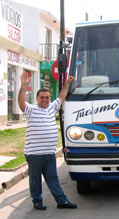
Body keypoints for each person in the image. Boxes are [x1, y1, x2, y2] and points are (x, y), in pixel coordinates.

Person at [18, 71, 77, 210]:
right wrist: (23, 86)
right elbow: (21, 103)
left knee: (52, 178)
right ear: (37, 98)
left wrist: (67, 84)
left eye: (47, 97)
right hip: (34, 154)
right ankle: (37, 201)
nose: (45, 100)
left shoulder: (51, 108)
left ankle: (62, 201)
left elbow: (61, 97)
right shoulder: (31, 109)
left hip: (49, 153)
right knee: (35, 179)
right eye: (42, 97)